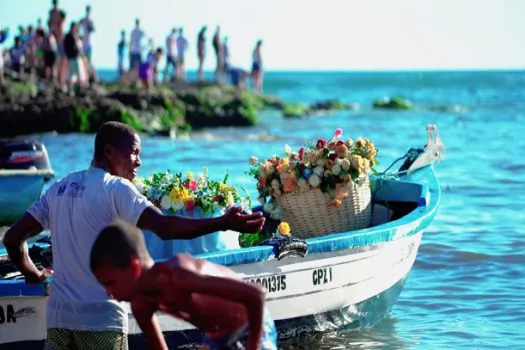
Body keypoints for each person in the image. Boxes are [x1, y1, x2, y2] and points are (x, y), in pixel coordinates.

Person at [2, 121, 265, 350]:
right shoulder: (115, 188)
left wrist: (32, 274)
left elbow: (13, 239)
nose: (138, 161)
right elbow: (164, 227)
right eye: (134, 152)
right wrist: (223, 222)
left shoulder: (58, 188)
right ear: (109, 152)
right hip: (102, 322)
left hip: (59, 319)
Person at [90, 220, 277, 350]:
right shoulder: (141, 305)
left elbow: (255, 294)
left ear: (134, 268)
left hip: (250, 326)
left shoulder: (179, 275)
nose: (109, 292)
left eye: (111, 283)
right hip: (217, 339)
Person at [63, 22, 86, 93]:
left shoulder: (68, 36)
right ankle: (79, 91)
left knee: (70, 76)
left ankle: (70, 91)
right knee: (79, 76)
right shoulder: (72, 36)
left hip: (71, 58)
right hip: (75, 58)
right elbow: (77, 48)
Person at [79, 5, 96, 83]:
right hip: (84, 45)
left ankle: (91, 77)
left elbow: (93, 29)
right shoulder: (83, 20)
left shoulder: (91, 20)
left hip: (89, 44)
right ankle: (86, 78)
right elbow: (78, 27)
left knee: (89, 61)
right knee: (83, 61)